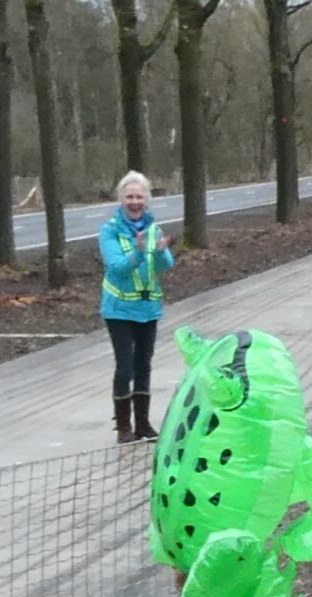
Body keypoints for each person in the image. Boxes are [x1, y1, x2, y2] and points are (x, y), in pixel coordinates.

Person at [100, 170, 176, 443]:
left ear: (147, 199)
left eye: (139, 197)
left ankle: (143, 424)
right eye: (129, 197)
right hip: (119, 310)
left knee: (144, 364)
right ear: (121, 200)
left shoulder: (153, 228)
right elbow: (117, 269)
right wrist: (139, 252)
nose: (135, 202)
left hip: (148, 309)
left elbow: (167, 265)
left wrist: (158, 251)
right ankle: (123, 427)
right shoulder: (110, 231)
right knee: (126, 365)